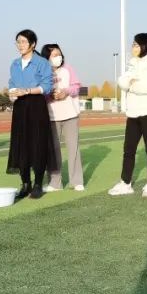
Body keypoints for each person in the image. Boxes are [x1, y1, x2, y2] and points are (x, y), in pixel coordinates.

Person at [109, 33, 147, 198]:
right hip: (134, 111)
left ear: (144, 45)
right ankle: (125, 182)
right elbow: (122, 81)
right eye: (132, 44)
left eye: (136, 45)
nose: (133, 47)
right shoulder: (133, 62)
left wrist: (131, 86)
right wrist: (130, 83)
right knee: (128, 149)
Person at [6, 30, 57, 199]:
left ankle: (37, 184)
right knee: (21, 144)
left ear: (33, 44)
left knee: (37, 143)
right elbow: (12, 83)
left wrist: (27, 90)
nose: (20, 45)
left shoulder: (42, 63)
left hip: (36, 105)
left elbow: (47, 86)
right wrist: (12, 93)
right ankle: (25, 183)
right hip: (20, 107)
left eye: (23, 42)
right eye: (18, 42)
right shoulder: (14, 64)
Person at [41, 43, 85, 192]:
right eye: (54, 55)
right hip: (51, 116)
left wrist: (65, 92)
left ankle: (76, 181)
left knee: (73, 149)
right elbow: (41, 91)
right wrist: (50, 95)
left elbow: (77, 87)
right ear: (47, 58)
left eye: (59, 54)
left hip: (70, 115)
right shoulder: (43, 72)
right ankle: (55, 183)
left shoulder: (68, 69)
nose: (58, 57)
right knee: (53, 151)